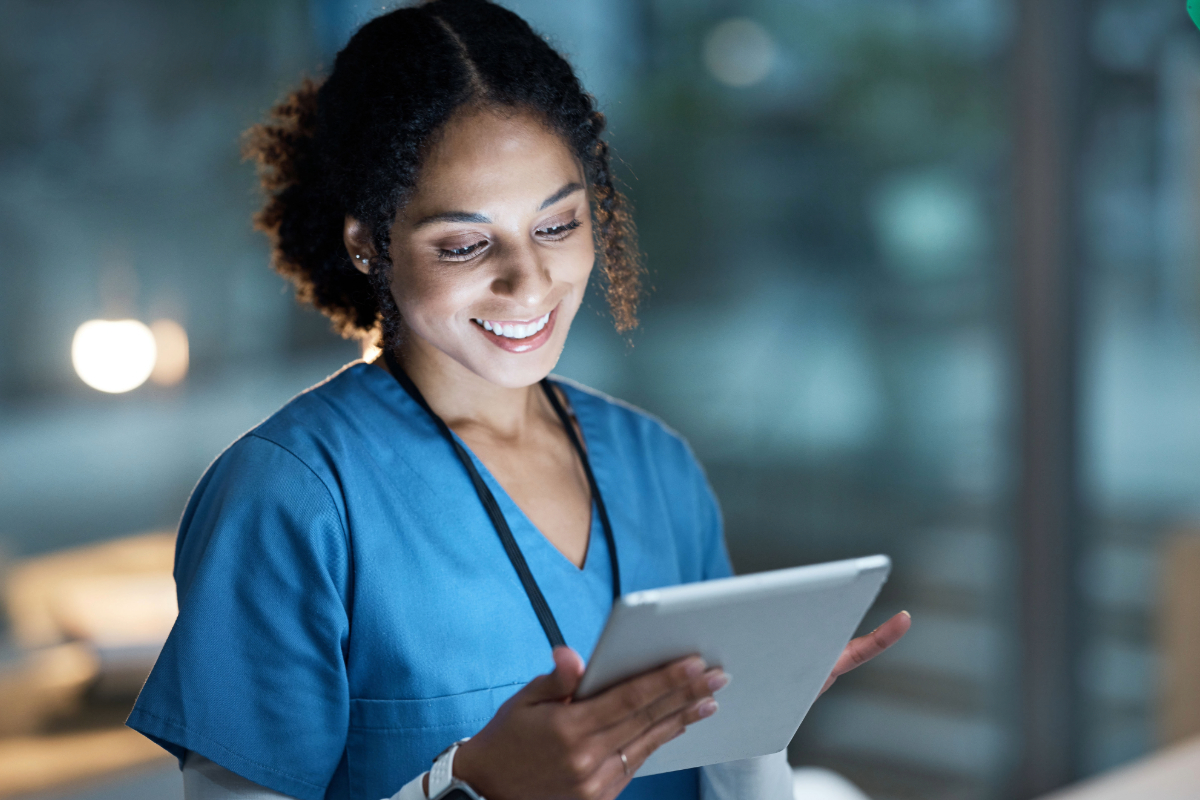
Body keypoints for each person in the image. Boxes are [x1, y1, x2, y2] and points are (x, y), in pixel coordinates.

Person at [125, 2, 911, 799]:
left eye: (558, 225)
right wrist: (467, 786)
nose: (530, 282)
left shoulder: (656, 466)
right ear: (369, 243)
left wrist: (750, 733)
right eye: (465, 244)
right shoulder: (289, 499)